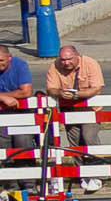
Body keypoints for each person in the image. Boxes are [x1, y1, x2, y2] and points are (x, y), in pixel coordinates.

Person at [41, 45, 107, 182]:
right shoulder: (54, 66)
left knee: (89, 138)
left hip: (89, 108)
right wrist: (60, 93)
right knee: (74, 141)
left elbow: (96, 88)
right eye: (63, 60)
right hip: (68, 109)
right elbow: (50, 88)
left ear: (77, 56)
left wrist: (77, 95)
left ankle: (96, 173)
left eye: (69, 59)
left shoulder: (90, 63)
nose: (66, 63)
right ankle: (81, 174)